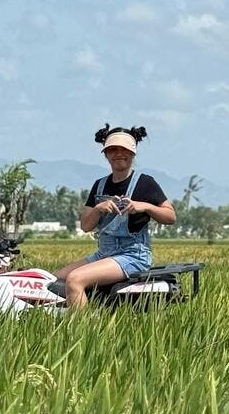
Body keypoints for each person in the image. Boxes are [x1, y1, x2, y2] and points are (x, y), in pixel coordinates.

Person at [55, 124, 176, 309]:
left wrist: (145, 207)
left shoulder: (145, 183)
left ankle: (83, 332)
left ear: (133, 153)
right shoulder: (100, 185)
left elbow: (170, 216)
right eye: (113, 149)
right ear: (106, 154)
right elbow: (86, 226)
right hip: (104, 253)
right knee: (55, 279)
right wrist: (98, 209)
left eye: (124, 149)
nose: (118, 154)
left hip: (132, 255)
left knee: (75, 280)